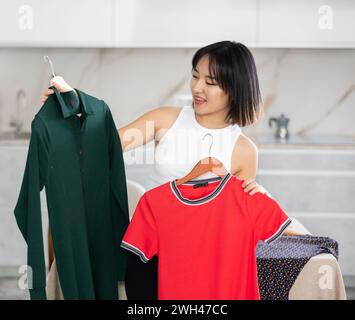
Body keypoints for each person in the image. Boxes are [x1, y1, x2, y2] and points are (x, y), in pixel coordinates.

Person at [40, 41, 301, 299]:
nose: (197, 88)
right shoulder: (166, 119)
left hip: (203, 252)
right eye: (195, 76)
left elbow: (237, 218)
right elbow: (106, 143)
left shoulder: (244, 150)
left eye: (210, 82)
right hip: (153, 242)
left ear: (235, 89)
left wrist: (257, 191)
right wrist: (71, 106)